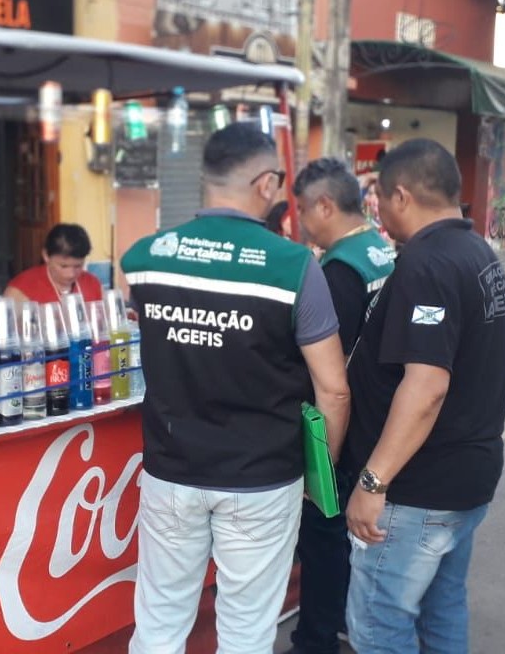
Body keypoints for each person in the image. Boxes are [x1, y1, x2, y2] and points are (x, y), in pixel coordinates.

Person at [121, 122, 350, 653]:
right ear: (266, 183)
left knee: (158, 623)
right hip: (262, 479)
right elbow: (333, 390)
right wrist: (320, 474)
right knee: (245, 633)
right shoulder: (294, 266)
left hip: (170, 471)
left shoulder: (143, 258)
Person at [341, 139, 505, 654]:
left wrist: (373, 481)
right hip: (464, 480)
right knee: (442, 610)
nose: (378, 212)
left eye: (378, 200)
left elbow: (427, 385)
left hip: (417, 490)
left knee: (377, 625)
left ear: (399, 196)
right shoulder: (477, 251)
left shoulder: (427, 263)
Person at [288, 157, 396, 654]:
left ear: (325, 206)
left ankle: (316, 639)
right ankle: (349, 624)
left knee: (324, 538)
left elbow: (327, 368)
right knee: (348, 543)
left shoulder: (338, 271)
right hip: (377, 421)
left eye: (303, 211)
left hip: (341, 429)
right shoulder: (379, 249)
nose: (300, 222)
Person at [3, 223, 104, 305]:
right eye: (63, 266)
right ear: (46, 256)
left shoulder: (93, 284)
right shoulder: (22, 289)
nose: (71, 274)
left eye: (78, 266)